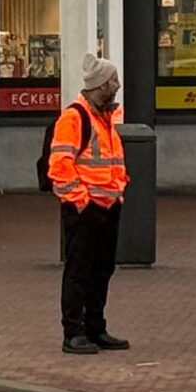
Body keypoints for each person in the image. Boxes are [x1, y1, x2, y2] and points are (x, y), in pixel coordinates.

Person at [48, 54, 130, 355]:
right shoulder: (74, 118)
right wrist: (82, 201)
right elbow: (60, 166)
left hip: (106, 206)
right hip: (86, 208)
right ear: (101, 85)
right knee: (79, 270)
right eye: (113, 80)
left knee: (101, 270)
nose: (117, 85)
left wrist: (117, 193)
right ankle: (74, 332)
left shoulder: (105, 118)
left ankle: (95, 327)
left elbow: (114, 162)